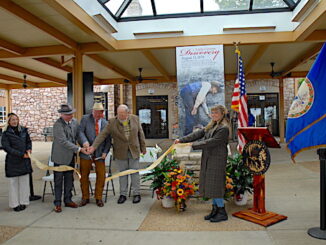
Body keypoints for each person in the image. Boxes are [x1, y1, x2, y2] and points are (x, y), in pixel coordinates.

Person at [175, 104, 230, 223]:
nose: (214, 115)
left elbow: (211, 142)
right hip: (209, 158)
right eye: (212, 113)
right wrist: (181, 140)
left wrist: (193, 145)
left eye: (216, 113)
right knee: (211, 185)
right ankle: (215, 209)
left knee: (216, 186)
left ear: (222, 114)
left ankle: (221, 211)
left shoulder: (223, 128)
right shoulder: (212, 125)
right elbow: (198, 134)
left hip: (217, 160)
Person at [87, 104, 146, 204]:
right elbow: (102, 135)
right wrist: (93, 147)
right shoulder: (112, 122)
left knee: (134, 173)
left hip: (134, 150)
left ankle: (136, 193)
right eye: (119, 114)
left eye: (123, 114)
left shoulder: (135, 119)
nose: (120, 116)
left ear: (128, 113)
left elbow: (141, 134)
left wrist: (143, 147)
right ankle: (123, 194)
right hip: (120, 152)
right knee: (122, 173)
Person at [51, 104, 87, 213]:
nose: (70, 116)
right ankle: (57, 203)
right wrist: (79, 149)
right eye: (67, 114)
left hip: (71, 157)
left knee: (69, 179)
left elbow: (78, 134)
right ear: (61, 114)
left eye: (71, 114)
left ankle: (68, 200)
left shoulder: (75, 122)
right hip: (59, 157)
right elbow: (63, 141)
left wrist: (84, 143)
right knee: (58, 181)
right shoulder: (57, 125)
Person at [78, 103, 111, 207]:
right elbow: (80, 132)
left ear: (102, 113)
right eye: (94, 112)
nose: (96, 114)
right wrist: (84, 143)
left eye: (98, 113)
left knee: (101, 176)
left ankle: (98, 197)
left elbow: (108, 140)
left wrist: (105, 152)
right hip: (86, 152)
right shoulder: (85, 119)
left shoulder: (106, 123)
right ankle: (85, 197)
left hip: (100, 154)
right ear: (92, 111)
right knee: (84, 176)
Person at [1, 113, 32, 212]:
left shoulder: (23, 130)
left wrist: (29, 149)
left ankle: (24, 202)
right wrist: (20, 154)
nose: (15, 121)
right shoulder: (6, 133)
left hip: (24, 161)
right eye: (12, 120)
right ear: (9, 121)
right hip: (13, 162)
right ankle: (15, 204)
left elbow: (28, 141)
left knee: (24, 183)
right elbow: (7, 148)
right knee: (13, 184)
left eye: (16, 119)